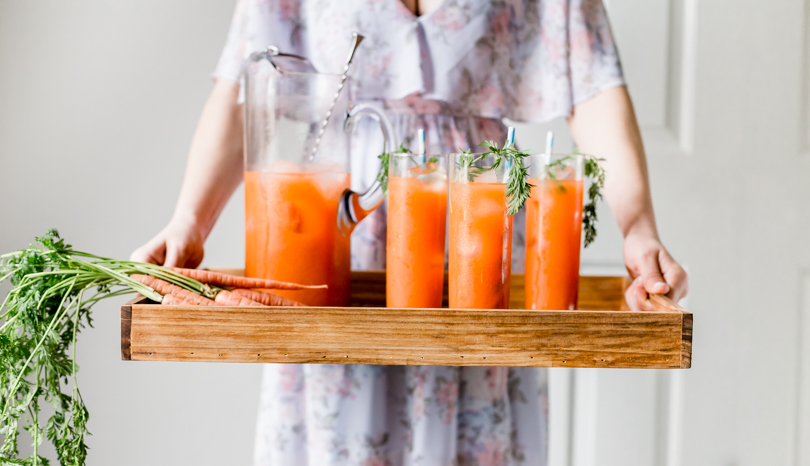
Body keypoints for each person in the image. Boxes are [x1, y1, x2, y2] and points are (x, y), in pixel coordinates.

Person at [131, 0, 688, 464]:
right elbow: (241, 93)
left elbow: (592, 88)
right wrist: (190, 221)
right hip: (338, 230)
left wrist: (638, 229)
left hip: (479, 216)